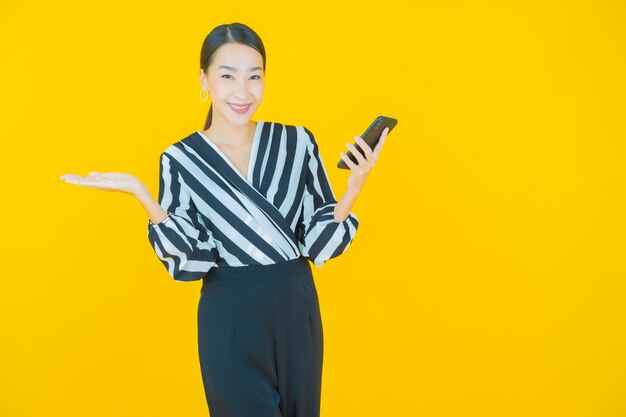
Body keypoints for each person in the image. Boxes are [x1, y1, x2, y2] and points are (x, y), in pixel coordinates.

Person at [60, 22, 389, 417]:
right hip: (229, 311)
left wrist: (354, 187)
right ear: (204, 79)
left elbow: (317, 243)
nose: (243, 91)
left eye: (255, 76)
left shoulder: (297, 141)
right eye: (227, 76)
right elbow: (191, 262)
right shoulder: (180, 159)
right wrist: (143, 196)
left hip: (295, 305)